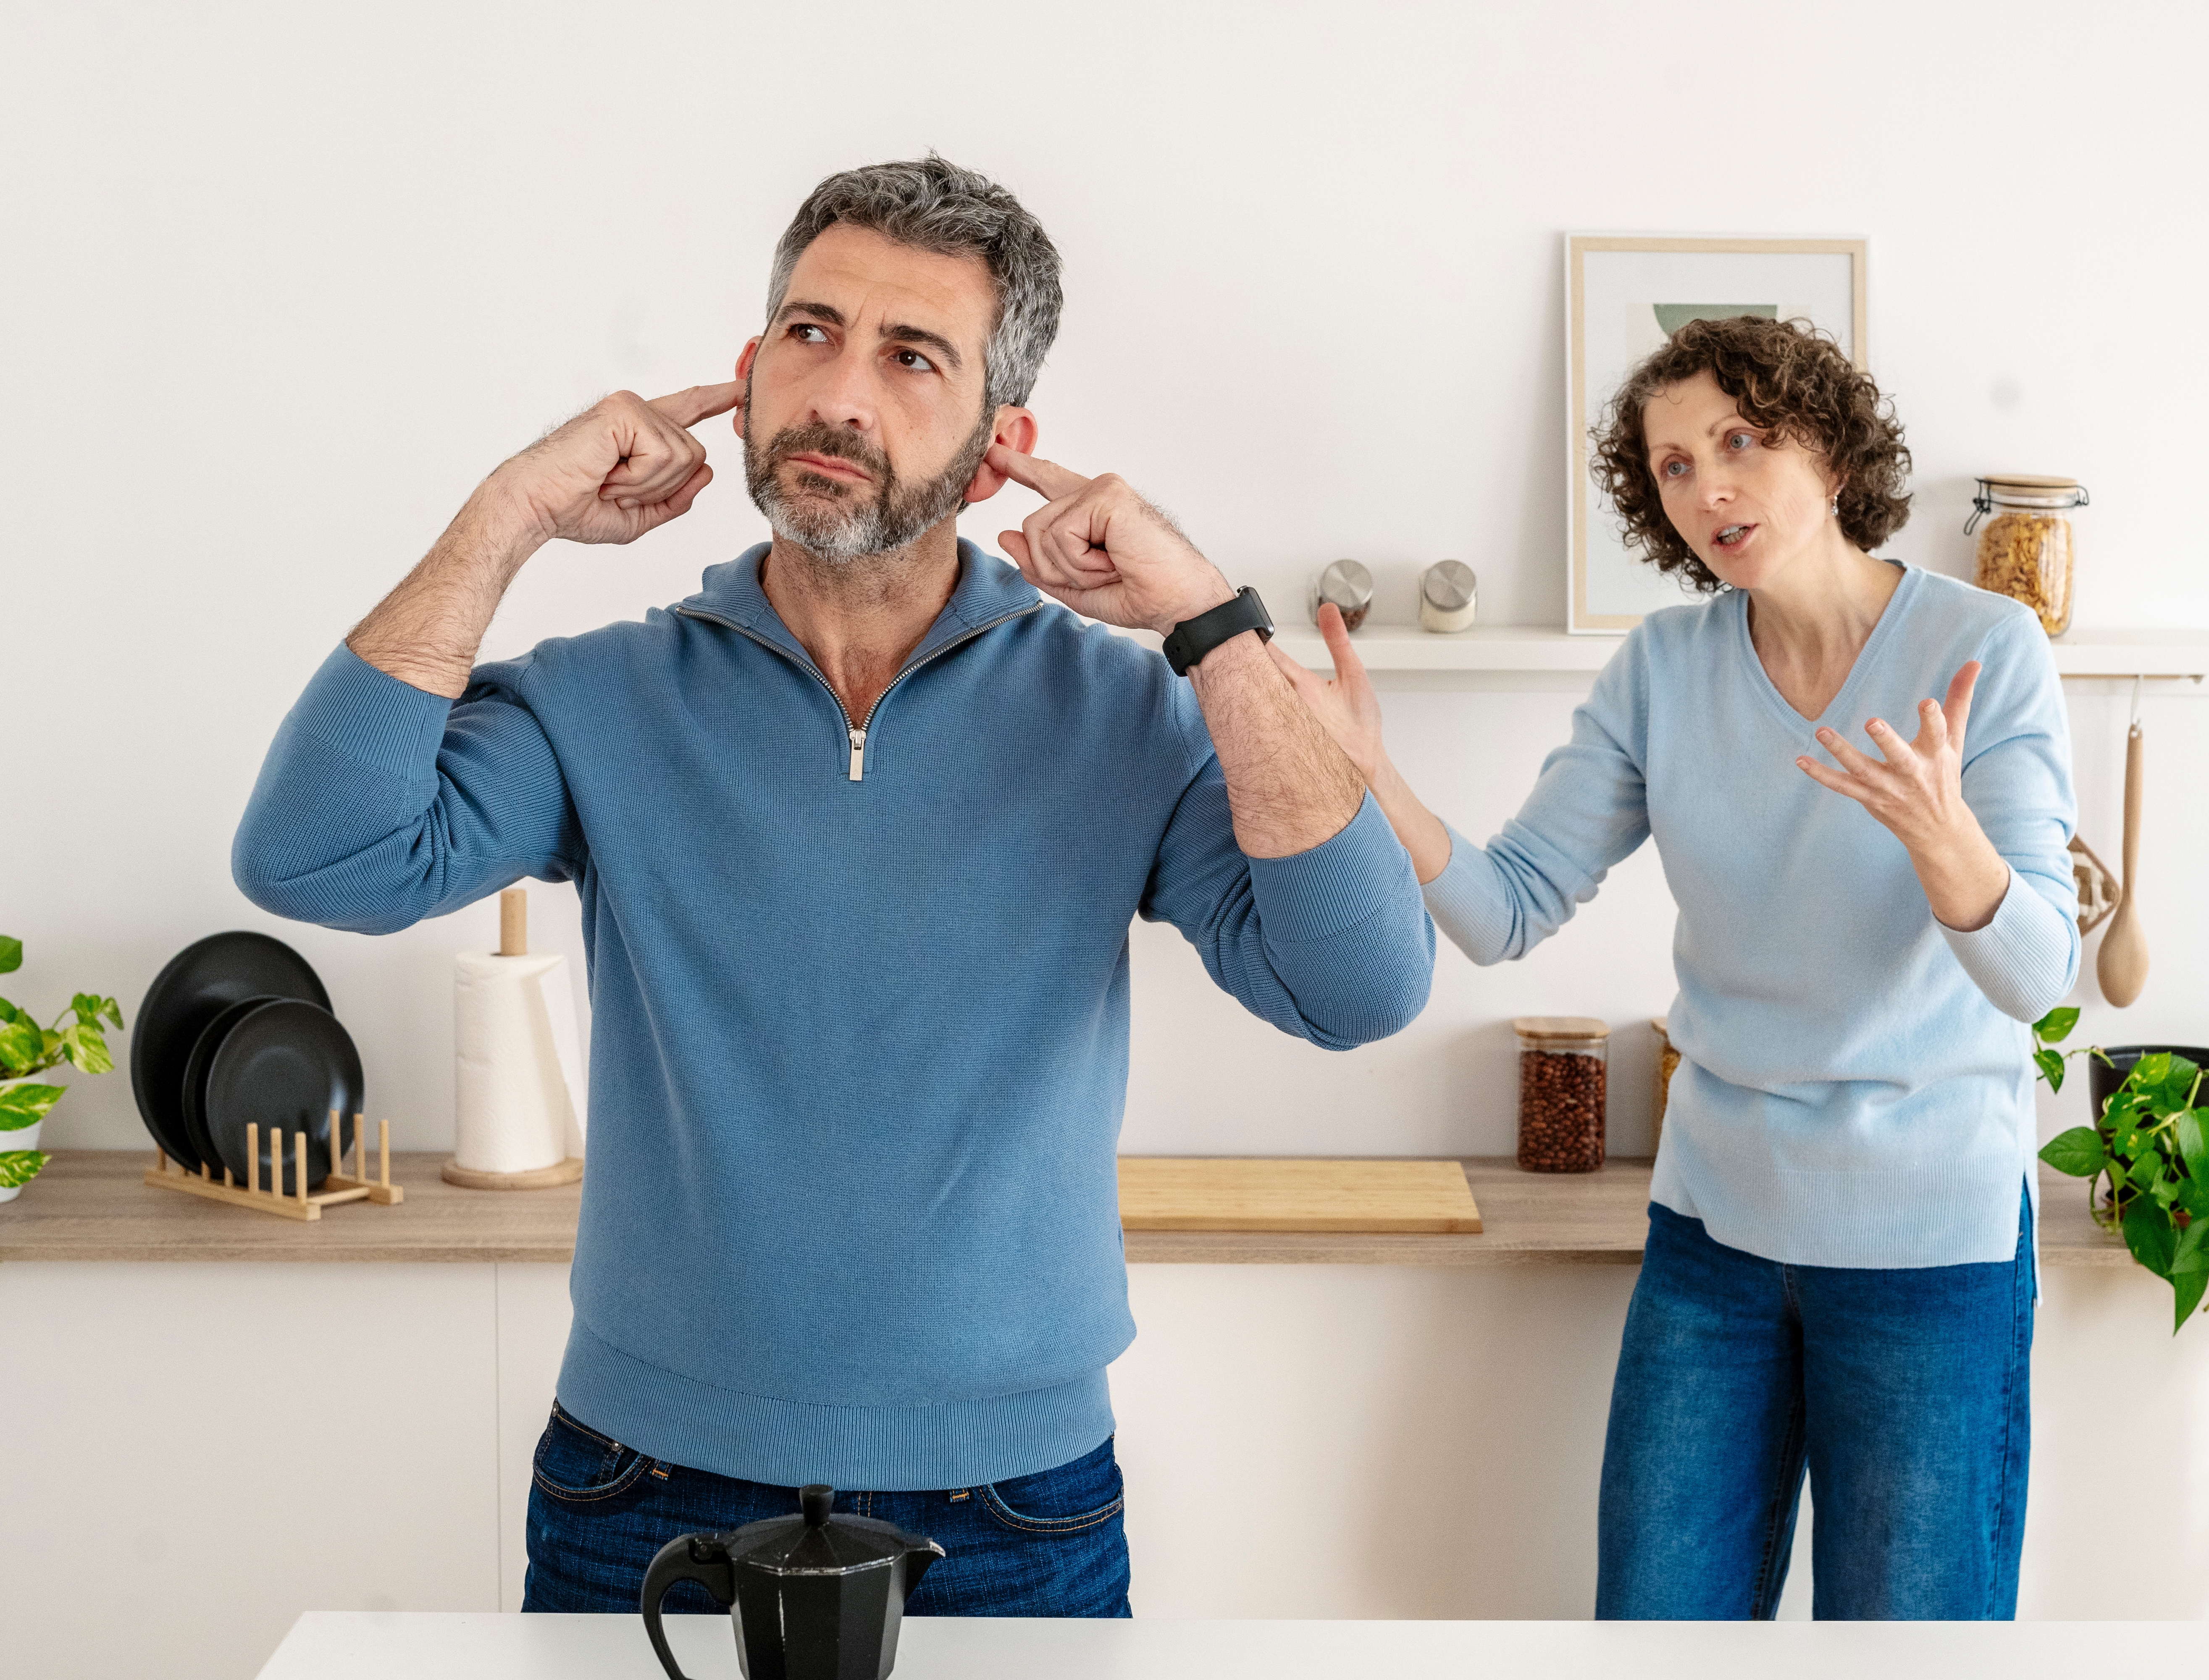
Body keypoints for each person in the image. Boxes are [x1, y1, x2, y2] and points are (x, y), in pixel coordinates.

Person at [231, 156, 1434, 1619]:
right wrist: (512, 511)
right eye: (809, 334)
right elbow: (316, 856)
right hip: (640, 1496)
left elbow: (1362, 989)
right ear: (746, 375)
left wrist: (1210, 622)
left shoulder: (1126, 717)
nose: (841, 396)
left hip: (1012, 1514)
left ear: (1002, 441)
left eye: (911, 357)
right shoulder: (602, 699)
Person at [1272, 315, 2076, 1620]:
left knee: (1910, 1655)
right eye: (1673, 467)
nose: (1707, 488)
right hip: (1715, 1245)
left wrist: (1945, 840)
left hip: (1930, 1252)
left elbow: (2040, 978)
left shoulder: (1985, 651)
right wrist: (1371, 776)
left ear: (1826, 447)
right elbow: (1508, 909)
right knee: (1654, 1640)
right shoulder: (1664, 667)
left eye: (1740, 442)